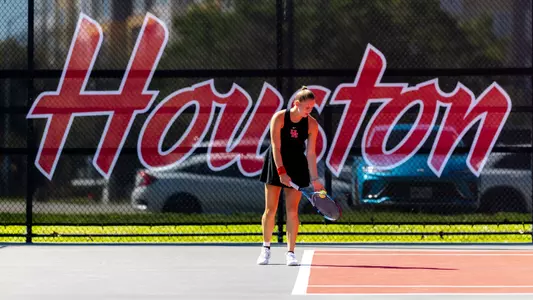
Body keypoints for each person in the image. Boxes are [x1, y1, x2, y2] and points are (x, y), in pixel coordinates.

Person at [257, 86, 325, 266]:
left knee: (292, 211)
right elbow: (275, 146)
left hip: (297, 166)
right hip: (276, 162)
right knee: (270, 209)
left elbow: (310, 153)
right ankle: (266, 249)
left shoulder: (311, 124)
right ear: (296, 103)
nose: (310, 111)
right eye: (307, 107)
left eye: (312, 107)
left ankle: (290, 252)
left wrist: (315, 179)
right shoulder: (279, 118)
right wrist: (281, 172)